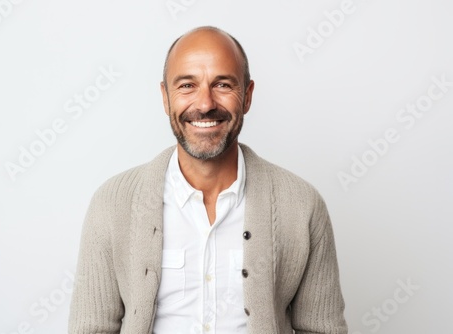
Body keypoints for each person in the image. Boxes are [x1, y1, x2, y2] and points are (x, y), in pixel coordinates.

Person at [68, 26, 347, 334]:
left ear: (248, 95)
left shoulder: (302, 205)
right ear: (165, 97)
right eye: (187, 85)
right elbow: (90, 328)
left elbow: (323, 329)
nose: (204, 103)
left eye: (223, 84)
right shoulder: (113, 204)